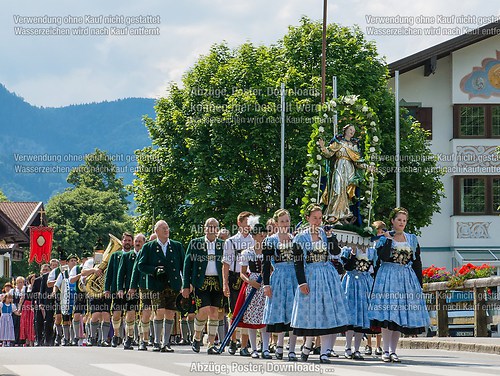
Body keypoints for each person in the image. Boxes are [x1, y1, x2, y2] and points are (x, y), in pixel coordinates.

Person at [368, 207, 430, 363]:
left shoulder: (412, 239)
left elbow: (416, 262)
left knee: (399, 316)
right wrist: (388, 239)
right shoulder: (384, 239)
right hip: (387, 277)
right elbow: (382, 257)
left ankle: (393, 351)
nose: (402, 223)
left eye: (404, 220)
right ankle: (386, 350)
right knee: (387, 315)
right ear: (392, 221)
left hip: (405, 279)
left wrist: (419, 284)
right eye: (399, 220)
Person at [291, 204, 349, 364]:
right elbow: (297, 262)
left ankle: (324, 352)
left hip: (327, 275)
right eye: (314, 217)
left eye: (320, 218)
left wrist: (331, 237)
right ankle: (308, 344)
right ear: (308, 218)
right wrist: (301, 282)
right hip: (310, 275)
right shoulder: (300, 238)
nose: (317, 221)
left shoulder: (325, 234)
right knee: (311, 313)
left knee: (326, 312)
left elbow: (336, 252)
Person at [136, 220, 185, 353]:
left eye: (167, 227)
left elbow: (183, 266)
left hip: (173, 284)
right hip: (156, 285)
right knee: (160, 311)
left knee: (170, 312)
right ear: (156, 231)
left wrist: (186, 283)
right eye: (163, 228)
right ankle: (156, 342)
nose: (166, 230)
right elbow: (141, 265)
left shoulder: (176, 245)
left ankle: (166, 342)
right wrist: (154, 270)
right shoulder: (149, 247)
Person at [183, 218, 225, 355]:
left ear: (217, 229)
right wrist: (186, 285)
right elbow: (187, 265)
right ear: (205, 228)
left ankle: (211, 344)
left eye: (214, 226)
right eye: (209, 226)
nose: (212, 229)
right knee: (203, 310)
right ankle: (197, 337)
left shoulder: (222, 244)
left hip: (218, 282)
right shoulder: (196, 243)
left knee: (214, 313)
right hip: (201, 282)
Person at [318, 124, 375, 224]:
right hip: (339, 167)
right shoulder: (338, 142)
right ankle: (333, 213)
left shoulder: (354, 145)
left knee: (345, 191)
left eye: (353, 130)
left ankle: (344, 213)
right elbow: (328, 153)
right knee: (337, 189)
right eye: (350, 129)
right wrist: (322, 147)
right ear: (345, 130)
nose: (352, 132)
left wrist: (367, 167)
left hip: (350, 170)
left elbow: (358, 161)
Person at [262, 209, 298, 361]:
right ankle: (278, 346)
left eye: (287, 221)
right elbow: (265, 265)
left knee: (293, 313)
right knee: (279, 312)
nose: (285, 224)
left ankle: (292, 349)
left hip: (294, 278)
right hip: (278, 277)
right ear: (276, 223)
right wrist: (266, 284)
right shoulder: (271, 240)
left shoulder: (295, 239)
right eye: (282, 221)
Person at [236, 215, 270, 359]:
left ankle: (266, 348)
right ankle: (254, 348)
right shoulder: (247, 253)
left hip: (266, 285)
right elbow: (242, 273)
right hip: (252, 286)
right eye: (259, 234)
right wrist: (251, 282)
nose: (262, 236)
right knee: (251, 318)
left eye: (264, 234)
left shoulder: (269, 252)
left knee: (265, 318)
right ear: (254, 236)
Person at [222, 211, 254, 356]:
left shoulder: (255, 240)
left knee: (247, 310)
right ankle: (233, 341)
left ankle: (244, 345)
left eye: (250, 222)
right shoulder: (231, 241)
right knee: (234, 311)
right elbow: (226, 264)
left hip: (250, 275)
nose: (248, 225)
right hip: (235, 277)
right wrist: (225, 283)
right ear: (239, 223)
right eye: (246, 222)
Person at [340, 244, 378, 360]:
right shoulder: (347, 249)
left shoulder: (371, 251)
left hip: (365, 283)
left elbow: (374, 267)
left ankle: (357, 349)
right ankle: (347, 348)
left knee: (363, 316)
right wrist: (353, 252)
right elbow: (347, 267)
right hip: (351, 283)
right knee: (351, 315)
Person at [104, 232, 134, 347]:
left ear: (132, 242)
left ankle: (128, 337)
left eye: (129, 240)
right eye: (125, 240)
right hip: (117, 289)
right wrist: (107, 289)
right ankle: (116, 335)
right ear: (122, 241)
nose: (127, 242)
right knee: (117, 314)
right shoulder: (115, 256)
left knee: (130, 314)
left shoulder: (134, 255)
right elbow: (109, 273)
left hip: (130, 289)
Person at [117, 233, 146, 350]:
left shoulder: (147, 255)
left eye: (140, 241)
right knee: (130, 313)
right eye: (136, 241)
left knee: (144, 313)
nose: (138, 243)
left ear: (144, 243)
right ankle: (129, 337)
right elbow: (120, 273)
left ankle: (143, 339)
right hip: (130, 289)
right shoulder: (127, 256)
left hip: (145, 288)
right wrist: (119, 288)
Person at [365, 220, 385, 356]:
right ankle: (368, 344)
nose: (381, 233)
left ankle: (379, 345)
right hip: (370, 279)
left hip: (380, 279)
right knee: (369, 312)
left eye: (383, 230)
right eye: (379, 230)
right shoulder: (370, 245)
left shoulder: (385, 243)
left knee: (380, 311)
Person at [19, 274, 36, 347]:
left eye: (35, 280)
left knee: (32, 322)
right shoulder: (25, 288)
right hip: (26, 306)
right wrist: (19, 308)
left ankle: (32, 341)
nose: (34, 281)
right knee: (26, 323)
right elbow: (22, 298)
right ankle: (27, 341)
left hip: (34, 306)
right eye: (32, 280)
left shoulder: (37, 288)